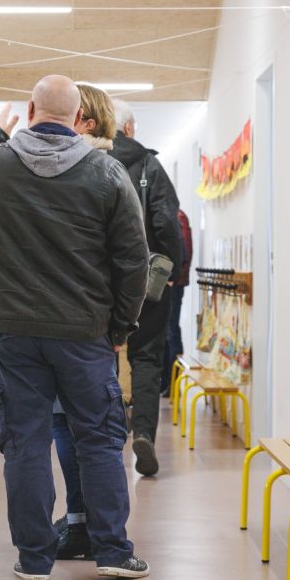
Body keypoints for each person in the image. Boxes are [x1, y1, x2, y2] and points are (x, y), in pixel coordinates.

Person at [0, 76, 150, 580]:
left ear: (30, 109)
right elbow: (133, 260)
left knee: (25, 442)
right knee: (98, 440)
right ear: (79, 118)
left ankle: (34, 559)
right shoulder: (106, 171)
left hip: (12, 333)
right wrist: (120, 324)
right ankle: (113, 553)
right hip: (84, 332)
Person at [52, 83, 118, 562]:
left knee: (82, 433)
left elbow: (132, 256)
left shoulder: (93, 170)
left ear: (85, 122)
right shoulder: (97, 167)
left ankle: (90, 529)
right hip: (91, 323)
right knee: (83, 432)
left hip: (75, 325)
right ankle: (89, 527)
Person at [109, 100, 182, 478]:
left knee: (102, 357)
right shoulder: (150, 167)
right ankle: (144, 434)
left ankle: (107, 439)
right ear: (131, 128)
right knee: (147, 358)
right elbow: (166, 221)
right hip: (147, 282)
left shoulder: (94, 163)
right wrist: (171, 268)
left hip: (101, 285)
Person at [161, 209, 193, 393]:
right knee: (169, 331)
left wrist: (172, 277)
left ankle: (173, 384)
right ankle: (168, 382)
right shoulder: (176, 216)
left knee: (171, 331)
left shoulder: (177, 216)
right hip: (174, 283)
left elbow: (182, 253)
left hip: (173, 284)